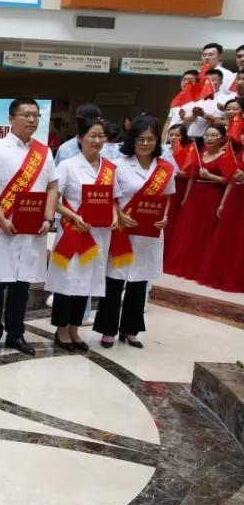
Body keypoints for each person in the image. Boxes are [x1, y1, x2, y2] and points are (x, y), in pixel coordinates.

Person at [0, 97, 58, 355]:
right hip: (3, 227)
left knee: (21, 286)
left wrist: (48, 218)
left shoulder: (44, 152)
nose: (32, 120)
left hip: (32, 229)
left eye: (36, 115)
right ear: (11, 118)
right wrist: (2, 218)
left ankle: (16, 334)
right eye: (26, 115)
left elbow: (52, 186)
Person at [94, 116, 175, 348]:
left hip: (148, 234)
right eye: (141, 139)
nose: (146, 143)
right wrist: (119, 214)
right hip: (122, 230)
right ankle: (108, 330)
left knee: (139, 283)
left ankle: (131, 329)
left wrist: (165, 216)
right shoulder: (117, 165)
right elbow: (109, 197)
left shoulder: (164, 168)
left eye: (150, 139)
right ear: (132, 140)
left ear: (157, 140)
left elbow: (167, 197)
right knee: (114, 281)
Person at [46, 115, 118, 352]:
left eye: (101, 136)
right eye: (92, 136)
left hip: (98, 235)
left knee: (85, 283)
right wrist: (74, 217)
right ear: (80, 138)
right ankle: (61, 329)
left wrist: (115, 216)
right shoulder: (68, 166)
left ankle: (75, 328)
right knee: (67, 281)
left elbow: (113, 199)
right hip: (73, 232)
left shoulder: (110, 168)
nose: (97, 141)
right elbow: (54, 199)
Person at [165, 124, 233, 280]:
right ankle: (179, 265)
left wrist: (210, 176)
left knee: (203, 231)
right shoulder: (200, 153)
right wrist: (186, 197)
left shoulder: (225, 156)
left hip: (212, 195)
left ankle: (195, 268)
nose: (209, 138)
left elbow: (229, 180)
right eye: (207, 135)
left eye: (214, 135)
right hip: (195, 194)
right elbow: (192, 178)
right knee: (186, 230)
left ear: (222, 139)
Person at [196, 123, 244, 293]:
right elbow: (231, 181)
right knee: (227, 238)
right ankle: (221, 275)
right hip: (234, 198)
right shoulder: (237, 155)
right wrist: (223, 202)